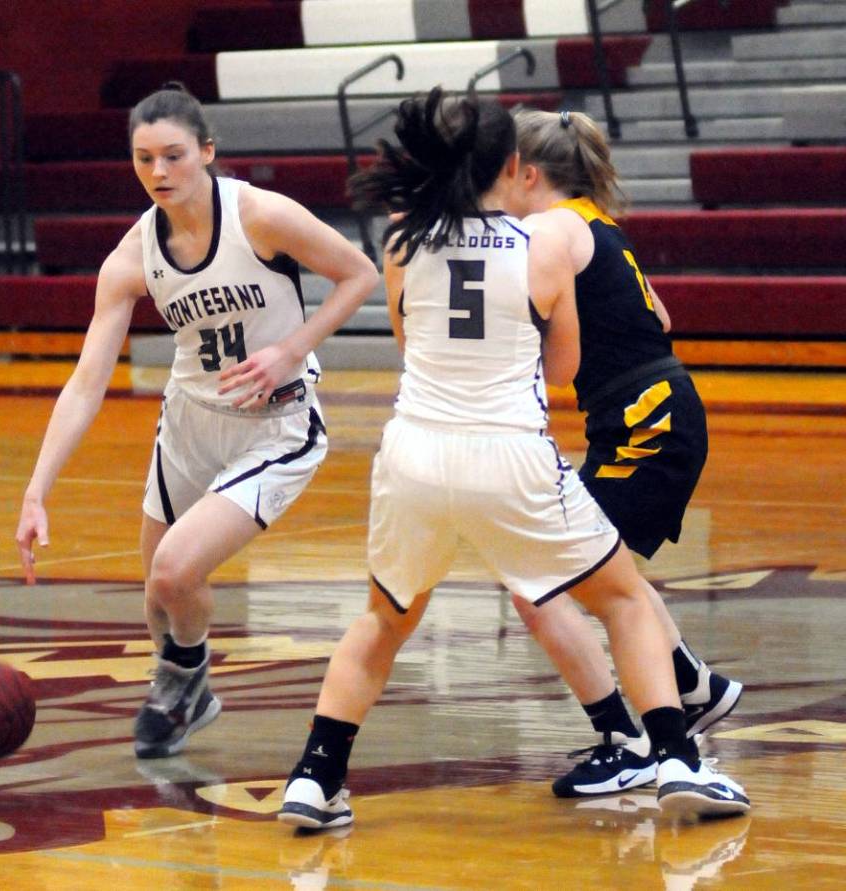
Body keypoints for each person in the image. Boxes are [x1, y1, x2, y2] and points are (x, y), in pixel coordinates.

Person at [277, 87, 749, 830]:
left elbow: (408, 341)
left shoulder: (401, 243)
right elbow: (563, 368)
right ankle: (676, 759)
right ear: (511, 166)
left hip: (413, 456)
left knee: (383, 622)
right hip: (509, 455)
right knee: (624, 600)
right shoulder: (543, 245)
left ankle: (315, 777)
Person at [14, 83, 379, 759]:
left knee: (175, 571)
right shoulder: (132, 256)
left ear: (207, 152)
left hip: (276, 422)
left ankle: (185, 678)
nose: (159, 172)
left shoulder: (260, 215)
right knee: (159, 595)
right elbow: (87, 382)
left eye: (174, 155)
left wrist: (291, 349)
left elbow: (360, 274)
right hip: (188, 423)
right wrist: (38, 489)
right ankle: (186, 686)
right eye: (144, 158)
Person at [502, 108, 742, 798]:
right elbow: (660, 316)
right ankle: (689, 685)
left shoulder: (549, 229)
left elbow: (547, 349)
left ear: (527, 174)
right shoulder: (593, 223)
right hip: (652, 410)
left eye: (501, 173)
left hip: (645, 420)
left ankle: (632, 738)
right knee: (598, 575)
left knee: (547, 578)